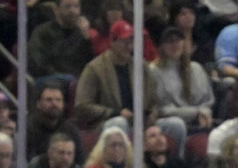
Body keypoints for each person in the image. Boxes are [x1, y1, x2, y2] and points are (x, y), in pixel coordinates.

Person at [73, 20, 187, 149]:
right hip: (108, 122)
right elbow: (82, 106)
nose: (129, 46)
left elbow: (153, 100)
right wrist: (115, 113)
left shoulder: (142, 66)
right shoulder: (94, 69)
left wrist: (152, 113)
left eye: (131, 41)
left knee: (177, 125)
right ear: (112, 42)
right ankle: (123, 165)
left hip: (141, 123)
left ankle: (177, 165)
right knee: (119, 123)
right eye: (124, 41)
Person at [151, 26, 215, 132]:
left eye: (178, 40)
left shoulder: (196, 68)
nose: (175, 45)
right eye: (170, 41)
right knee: (177, 124)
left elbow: (208, 100)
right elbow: (163, 109)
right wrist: (196, 112)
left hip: (201, 118)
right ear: (161, 46)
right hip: (171, 121)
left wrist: (204, 112)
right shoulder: (155, 71)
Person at [28, 0, 93, 80]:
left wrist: (86, 39)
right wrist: (62, 78)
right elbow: (38, 64)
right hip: (49, 82)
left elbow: (88, 65)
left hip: (77, 83)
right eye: (67, 6)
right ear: (57, 9)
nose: (72, 11)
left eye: (76, 6)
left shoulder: (81, 32)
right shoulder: (42, 32)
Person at [26, 82, 84, 157]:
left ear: (63, 104)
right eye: (49, 100)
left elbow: (80, 161)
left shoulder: (71, 130)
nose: (54, 104)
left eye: (58, 100)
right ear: (38, 104)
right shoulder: (28, 129)